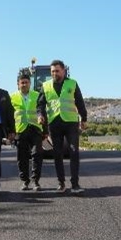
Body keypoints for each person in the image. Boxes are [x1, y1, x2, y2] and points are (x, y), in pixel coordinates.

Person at [37, 60, 88, 193]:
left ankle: (75, 184)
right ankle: (61, 183)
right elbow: (40, 104)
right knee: (57, 153)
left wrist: (84, 118)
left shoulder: (72, 83)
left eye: (57, 71)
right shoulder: (46, 85)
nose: (55, 73)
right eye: (52, 71)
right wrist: (40, 115)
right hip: (54, 123)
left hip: (71, 123)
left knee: (74, 152)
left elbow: (80, 102)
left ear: (63, 71)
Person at [11, 69, 45, 191]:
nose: (24, 84)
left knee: (37, 154)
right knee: (22, 157)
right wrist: (10, 132)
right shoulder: (12, 97)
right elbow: (9, 115)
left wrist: (45, 131)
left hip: (35, 129)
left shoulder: (37, 95)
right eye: (22, 82)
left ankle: (36, 181)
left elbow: (42, 111)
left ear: (30, 83)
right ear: (18, 84)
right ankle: (25, 181)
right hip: (20, 130)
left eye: (26, 82)